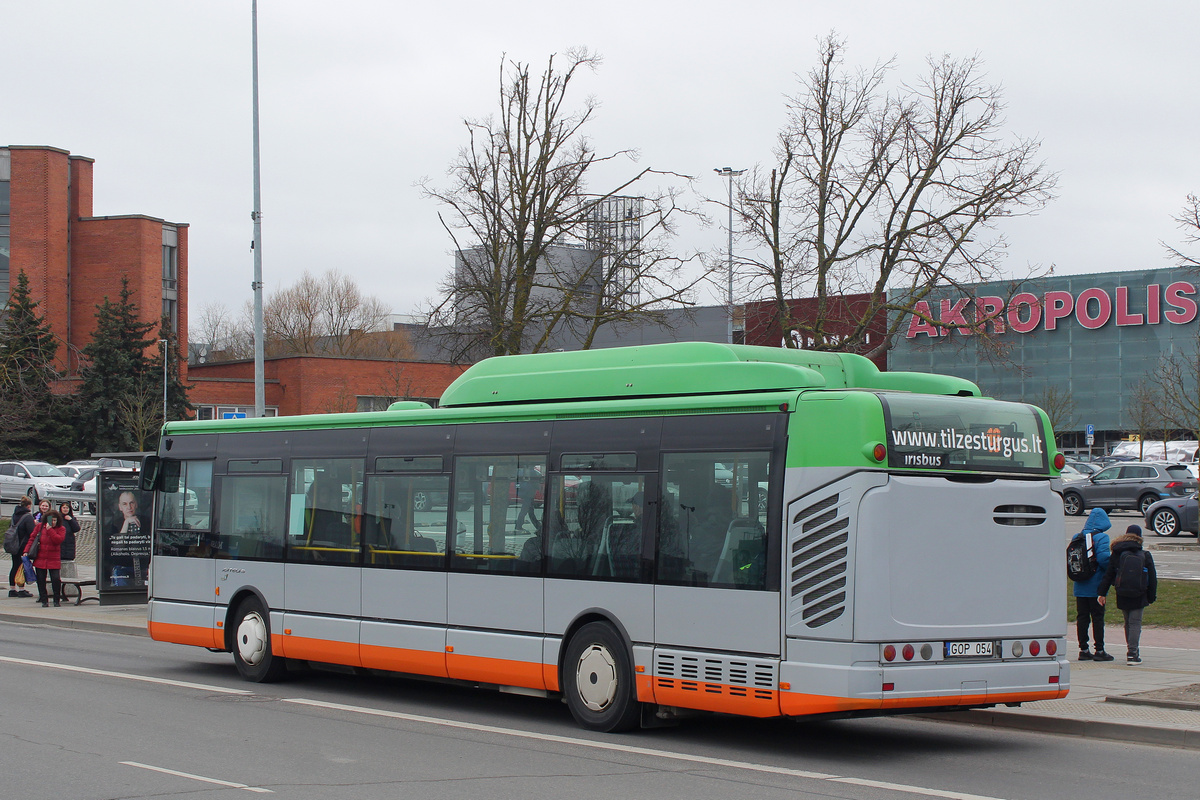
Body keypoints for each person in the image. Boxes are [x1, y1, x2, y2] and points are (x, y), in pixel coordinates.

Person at [1098, 524, 1157, 664]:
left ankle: (1131, 650)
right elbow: (1153, 578)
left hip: (1122, 592)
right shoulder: (1145, 555)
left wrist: (1102, 592)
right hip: (1139, 593)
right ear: (1139, 537)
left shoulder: (1117, 554)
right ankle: (1132, 653)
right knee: (1135, 623)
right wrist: (1151, 596)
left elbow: (1108, 575)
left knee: (1128, 623)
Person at [1072, 508, 1114, 661]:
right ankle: (1100, 650)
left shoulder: (1077, 536)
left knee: (1082, 618)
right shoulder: (1102, 537)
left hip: (1080, 584)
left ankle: (1083, 649)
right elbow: (1104, 559)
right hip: (1096, 586)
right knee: (1097, 618)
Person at [24, 508, 66, 607]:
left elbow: (58, 540)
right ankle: (44, 599)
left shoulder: (61, 529)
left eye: (55, 520)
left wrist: (50, 530)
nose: (53, 522)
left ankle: (56, 599)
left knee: (55, 579)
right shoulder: (39, 527)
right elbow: (32, 538)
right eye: (51, 520)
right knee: (41, 579)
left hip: (53, 558)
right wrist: (26, 550)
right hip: (40, 557)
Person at [7, 499, 36, 598]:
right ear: (28, 506)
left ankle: (12, 589)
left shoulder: (14, 515)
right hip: (23, 545)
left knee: (14, 566)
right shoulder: (27, 517)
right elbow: (32, 532)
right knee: (21, 567)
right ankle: (21, 589)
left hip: (14, 545)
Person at [57, 501, 81, 604]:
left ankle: (67, 590)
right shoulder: (57, 518)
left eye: (67, 508)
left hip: (69, 545)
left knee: (68, 566)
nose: (65, 510)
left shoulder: (71, 518)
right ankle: (58, 592)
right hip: (60, 545)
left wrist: (71, 520)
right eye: (64, 508)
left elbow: (76, 528)